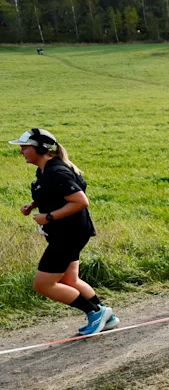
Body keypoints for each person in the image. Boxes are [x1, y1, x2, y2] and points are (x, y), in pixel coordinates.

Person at [10, 128, 117, 335]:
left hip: (68, 235)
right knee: (70, 281)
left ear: (40, 148)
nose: (21, 152)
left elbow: (80, 201)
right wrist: (33, 205)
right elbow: (58, 194)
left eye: (25, 147)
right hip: (71, 232)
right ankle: (108, 317)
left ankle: (96, 312)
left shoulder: (55, 172)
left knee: (43, 284)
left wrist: (47, 217)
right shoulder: (45, 170)